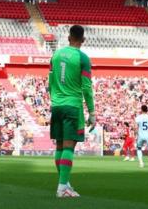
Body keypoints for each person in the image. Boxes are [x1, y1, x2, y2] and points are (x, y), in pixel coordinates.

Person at [48, 25, 95, 198]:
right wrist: (92, 112)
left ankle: (64, 183)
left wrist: (54, 101)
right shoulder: (83, 58)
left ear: (68, 38)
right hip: (72, 106)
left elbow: (50, 81)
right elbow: (87, 87)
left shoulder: (56, 55)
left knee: (59, 146)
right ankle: (62, 188)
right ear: (83, 40)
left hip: (57, 106)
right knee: (69, 146)